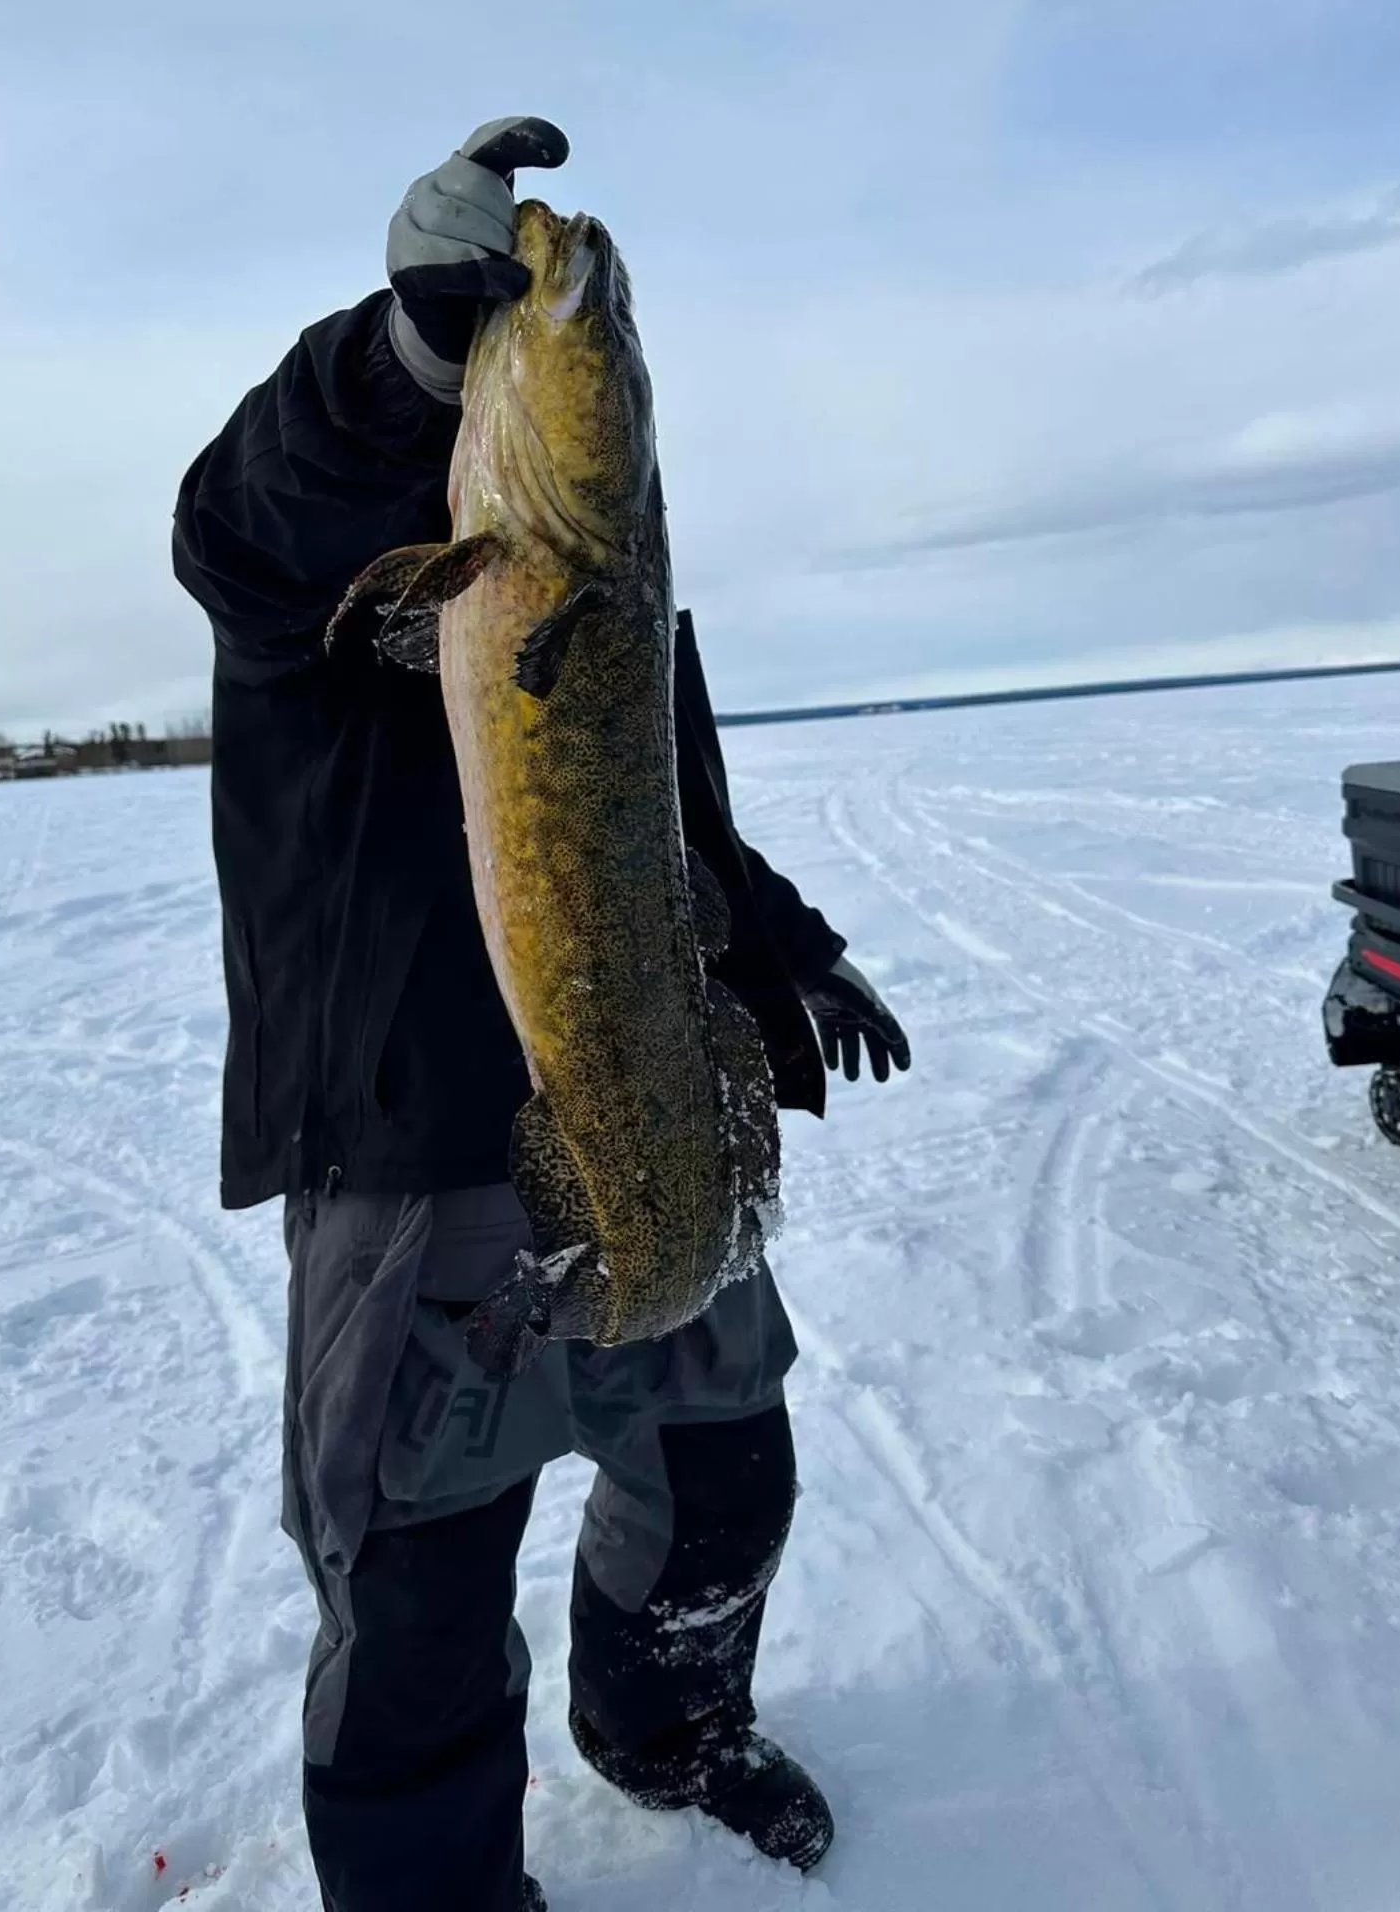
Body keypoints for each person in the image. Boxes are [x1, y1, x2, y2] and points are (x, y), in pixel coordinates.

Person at [173, 116, 911, 1912]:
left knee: (727, 1470)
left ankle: (667, 1729)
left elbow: (655, 814)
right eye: (579, 342)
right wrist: (399, 358)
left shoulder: (605, 590)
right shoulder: (337, 545)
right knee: (418, 1590)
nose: (594, 331)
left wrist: (784, 946)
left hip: (650, 1094)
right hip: (415, 1138)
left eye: (612, 356)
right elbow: (239, 521)